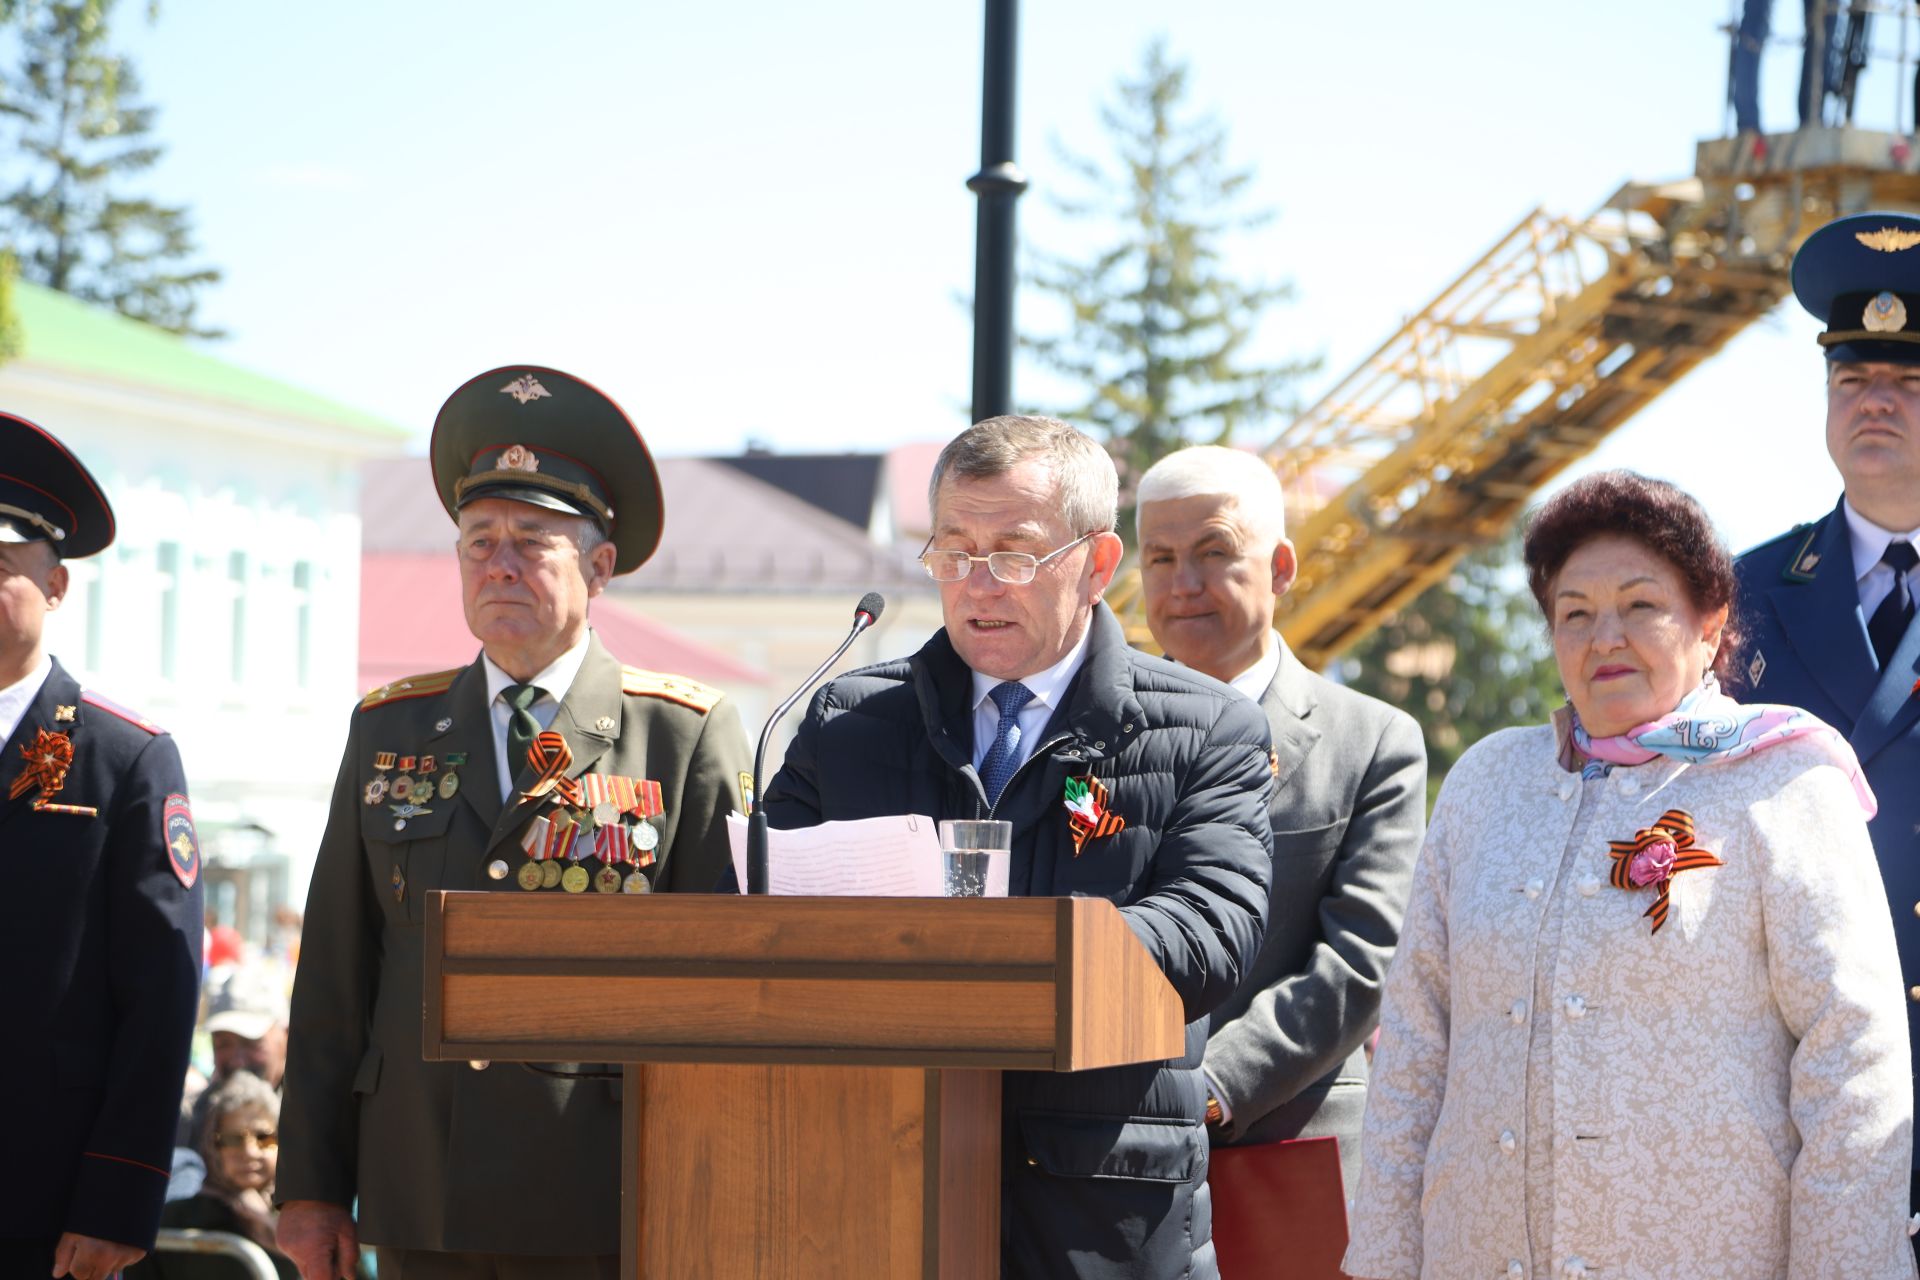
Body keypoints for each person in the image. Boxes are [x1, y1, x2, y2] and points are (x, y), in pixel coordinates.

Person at [1344, 470, 1914, 1280]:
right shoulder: (1487, 783)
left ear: (1710, 625)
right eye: (1574, 614)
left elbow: (1854, 1063)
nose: (1604, 636)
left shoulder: (1783, 780)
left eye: (1641, 605)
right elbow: (1412, 1050)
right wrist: (1384, 1263)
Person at [762, 415, 1274, 1280]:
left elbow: (1212, 927)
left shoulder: (1207, 727)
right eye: (954, 552)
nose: (977, 585)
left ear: (1098, 564)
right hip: (876, 1191)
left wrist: (1013, 951)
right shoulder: (845, 721)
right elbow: (760, 912)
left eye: (1013, 554)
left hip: (1097, 1211)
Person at [275, 366, 754, 1280]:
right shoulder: (391, 728)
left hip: (604, 1190)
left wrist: (712, 1185)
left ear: (600, 566)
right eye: (478, 541)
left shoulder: (681, 734)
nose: (499, 565)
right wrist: (310, 1187)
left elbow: (719, 990)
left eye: (533, 541)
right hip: (422, 1183)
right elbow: (337, 974)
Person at [1134, 446, 1424, 1200]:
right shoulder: (1094, 739)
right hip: (1110, 1166)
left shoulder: (1372, 742)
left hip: (1287, 1154)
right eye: (1159, 558)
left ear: (1282, 567)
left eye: (1215, 552)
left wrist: (1208, 1089)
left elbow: (1363, 960)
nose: (1183, 584)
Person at [1738, 207, 1920, 1238]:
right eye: (1852, 379)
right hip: (1794, 1065)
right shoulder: (1738, 593)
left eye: (1908, 381)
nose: (1876, 401)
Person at [0, 413, 205, 1279]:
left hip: (40, 1207)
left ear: (56, 585)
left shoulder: (123, 758)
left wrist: (118, 1198)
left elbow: (161, 998)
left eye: (0, 557)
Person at [151, 1072, 306, 1280]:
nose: (250, 1152)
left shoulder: (308, 1215)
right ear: (212, 1146)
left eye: (264, 1137)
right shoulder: (177, 1222)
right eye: (233, 1139)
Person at [179, 964, 289, 1147]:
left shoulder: (309, 1115)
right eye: (223, 1044)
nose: (237, 1061)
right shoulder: (193, 1121)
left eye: (251, 1043)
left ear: (285, 1037)